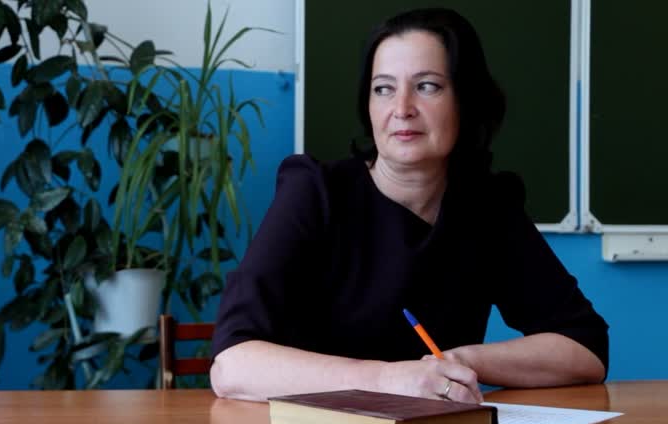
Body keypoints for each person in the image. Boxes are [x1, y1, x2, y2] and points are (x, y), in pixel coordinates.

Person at [209, 8, 609, 403]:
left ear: (465, 100)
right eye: (383, 89)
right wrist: (387, 378)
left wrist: (456, 361)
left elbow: (585, 347)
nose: (402, 108)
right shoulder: (315, 192)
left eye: (427, 86)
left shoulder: (488, 206)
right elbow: (232, 365)